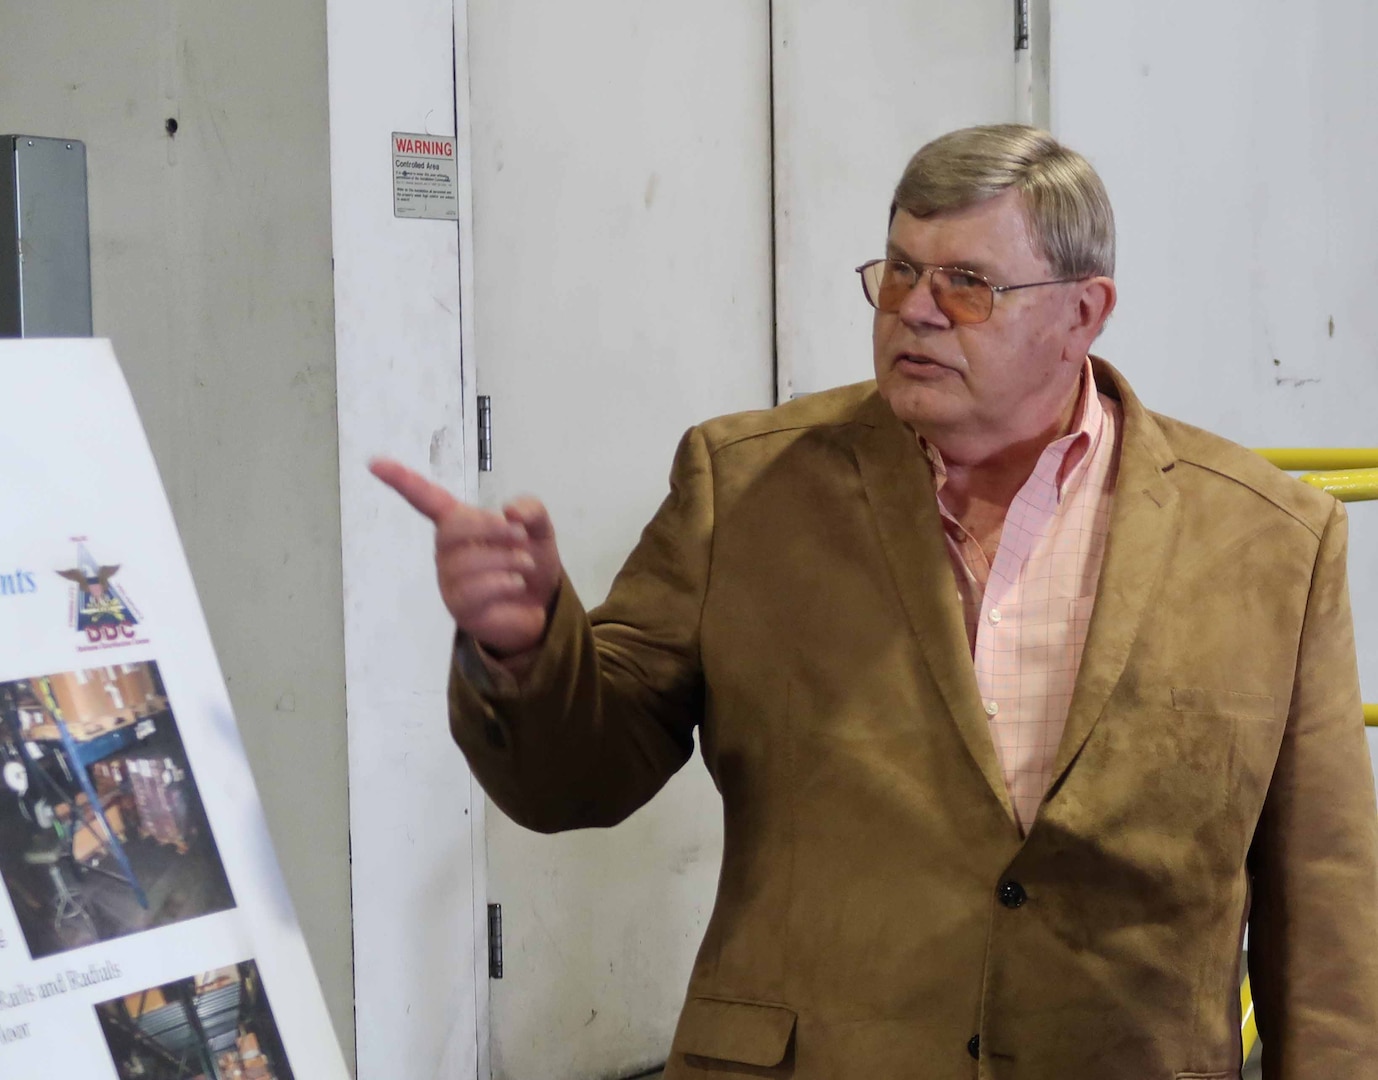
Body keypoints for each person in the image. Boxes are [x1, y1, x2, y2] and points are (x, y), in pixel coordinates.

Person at [371, 125, 1378, 1078]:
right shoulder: (745, 485)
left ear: (1082, 312)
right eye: (898, 271)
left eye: (968, 285)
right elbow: (577, 780)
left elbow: (1324, 901)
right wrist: (528, 649)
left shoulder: (1265, 540)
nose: (916, 310)